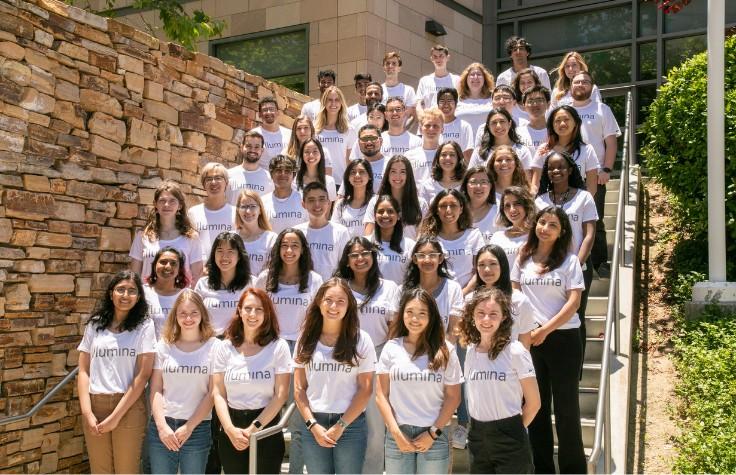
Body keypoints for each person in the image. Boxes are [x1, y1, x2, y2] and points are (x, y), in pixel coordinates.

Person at [511, 206, 586, 474]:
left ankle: (573, 469)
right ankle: (543, 468)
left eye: (552, 225)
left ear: (562, 231)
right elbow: (515, 295)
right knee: (535, 407)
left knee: (566, 408)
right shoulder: (523, 256)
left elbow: (574, 302)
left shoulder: (569, 261)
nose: (545, 228)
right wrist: (529, 331)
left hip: (563, 338)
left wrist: (545, 330)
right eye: (542, 222)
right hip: (529, 340)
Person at [255, 228, 323, 474]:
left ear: (303, 249)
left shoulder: (314, 280)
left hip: (301, 350)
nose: (290, 250)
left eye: (295, 245)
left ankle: (295, 471)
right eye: (285, 245)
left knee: (297, 417)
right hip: (269, 348)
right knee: (265, 410)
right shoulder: (264, 279)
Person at [293, 278, 377, 474]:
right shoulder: (305, 339)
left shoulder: (361, 340)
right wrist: (312, 425)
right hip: (314, 424)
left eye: (341, 301)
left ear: (349, 306)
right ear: (319, 303)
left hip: (350, 425)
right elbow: (299, 389)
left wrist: (341, 426)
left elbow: (366, 389)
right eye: (328, 299)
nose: (333, 306)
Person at [375, 288, 462, 474]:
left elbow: (453, 398)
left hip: (435, 435)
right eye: (410, 312)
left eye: (422, 313)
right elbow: (381, 395)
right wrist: (395, 433)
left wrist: (432, 433)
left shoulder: (446, 350)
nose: (415, 319)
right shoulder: (391, 348)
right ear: (402, 314)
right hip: (398, 433)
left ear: (432, 316)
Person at [334, 237, 401, 474]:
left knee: (375, 427)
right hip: (344, 356)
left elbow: (394, 326)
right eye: (354, 255)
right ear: (347, 260)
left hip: (379, 358)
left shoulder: (389, 287)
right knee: (343, 419)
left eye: (365, 253)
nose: (360, 259)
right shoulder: (338, 285)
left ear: (373, 257)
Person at [77, 270, 155, 473]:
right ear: (111, 293)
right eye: (120, 289)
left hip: (128, 406)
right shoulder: (95, 324)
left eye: (131, 291)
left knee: (126, 470)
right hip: (95, 405)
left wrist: (115, 417)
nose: (125, 295)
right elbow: (84, 370)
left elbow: (143, 375)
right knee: (100, 470)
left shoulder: (144, 326)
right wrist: (87, 412)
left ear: (139, 297)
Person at [458, 288, 541, 473]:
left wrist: (512, 431)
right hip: (478, 435)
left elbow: (534, 403)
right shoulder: (471, 352)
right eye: (481, 313)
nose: (486, 319)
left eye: (493, 314)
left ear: (504, 317)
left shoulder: (516, 351)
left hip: (510, 435)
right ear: (472, 316)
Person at [212, 288, 291, 474]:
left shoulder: (278, 347)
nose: (252, 314)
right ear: (239, 311)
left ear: (267, 313)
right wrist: (230, 429)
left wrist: (253, 429)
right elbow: (218, 393)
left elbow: (280, 396)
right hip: (231, 427)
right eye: (248, 308)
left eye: (259, 309)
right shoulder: (224, 347)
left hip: (266, 426)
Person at [148, 290, 218, 474]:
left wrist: (189, 427)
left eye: (194, 312)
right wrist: (162, 427)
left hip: (197, 428)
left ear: (202, 314)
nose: (188, 318)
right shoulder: (164, 345)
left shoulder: (214, 346)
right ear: (175, 316)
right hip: (163, 426)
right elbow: (155, 389)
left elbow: (212, 393)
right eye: (183, 313)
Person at [536, 151, 598, 347]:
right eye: (551, 167)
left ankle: (575, 370)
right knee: (549, 315)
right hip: (548, 267)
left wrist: (577, 263)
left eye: (561, 167)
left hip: (578, 266)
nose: (556, 171)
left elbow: (589, 234)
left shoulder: (584, 197)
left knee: (576, 316)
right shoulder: (540, 201)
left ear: (570, 169)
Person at [571, 71, 621, 278]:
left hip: (595, 175)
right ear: (570, 86)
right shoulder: (563, 109)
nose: (581, 84)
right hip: (568, 176)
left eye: (585, 81)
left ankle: (601, 262)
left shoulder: (602, 109)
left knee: (596, 219)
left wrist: (607, 169)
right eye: (577, 81)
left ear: (592, 86)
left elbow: (611, 142)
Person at [130, 180, 203, 284]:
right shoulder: (143, 236)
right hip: (149, 297)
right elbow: (135, 274)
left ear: (180, 206)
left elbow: (197, 276)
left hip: (180, 297)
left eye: (172, 200)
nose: (167, 204)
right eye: (162, 200)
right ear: (155, 204)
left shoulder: (191, 237)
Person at [464, 244, 535, 347]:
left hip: (510, 361)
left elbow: (525, 343)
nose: (487, 269)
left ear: (503, 266)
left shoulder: (520, 300)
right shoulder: (470, 299)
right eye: (481, 264)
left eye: (493, 263)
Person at [419, 189, 486, 291]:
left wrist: (464, 293)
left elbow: (480, 270)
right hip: (436, 295)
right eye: (443, 206)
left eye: (453, 205)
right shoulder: (429, 238)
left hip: (468, 296)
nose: (448, 210)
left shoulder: (474, 235)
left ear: (461, 209)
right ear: (437, 210)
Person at [402, 236, 464, 336]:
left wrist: (443, 351)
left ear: (440, 258)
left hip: (444, 349)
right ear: (415, 259)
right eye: (421, 255)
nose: (427, 260)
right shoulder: (403, 290)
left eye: (432, 255)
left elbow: (454, 331)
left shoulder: (453, 289)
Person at [194, 232, 252, 336]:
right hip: (209, 342)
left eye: (230, 251)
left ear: (239, 256)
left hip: (240, 343)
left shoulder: (251, 283)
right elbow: (195, 314)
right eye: (220, 251)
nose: (224, 256)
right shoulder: (202, 284)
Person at [535, 105, 598, 198]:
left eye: (566, 119)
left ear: (575, 122)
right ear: (552, 125)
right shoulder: (543, 150)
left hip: (577, 205)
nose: (562, 124)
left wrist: (580, 204)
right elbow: (535, 184)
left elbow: (592, 187)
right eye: (557, 120)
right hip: (549, 207)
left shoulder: (587, 150)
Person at [363, 155, 427, 240]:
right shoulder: (375, 201)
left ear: (408, 175)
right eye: (393, 171)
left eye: (402, 172)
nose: (397, 176)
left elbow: (421, 237)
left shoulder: (420, 204)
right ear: (387, 174)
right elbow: (368, 235)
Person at [295, 182, 351, 277]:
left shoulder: (341, 232)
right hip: (303, 290)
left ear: (329, 203)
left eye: (321, 199)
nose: (317, 204)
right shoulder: (296, 232)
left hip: (330, 289)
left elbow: (345, 267)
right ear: (303, 204)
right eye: (311, 200)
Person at [188, 163, 236, 261]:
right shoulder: (193, 213)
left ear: (226, 182)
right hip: (200, 272)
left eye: (218, 178)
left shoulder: (236, 213)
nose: (213, 182)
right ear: (203, 185)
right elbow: (190, 245)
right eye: (208, 179)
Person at [469, 108, 533, 179]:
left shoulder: (522, 151)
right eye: (494, 122)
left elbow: (528, 180)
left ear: (509, 123)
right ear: (488, 126)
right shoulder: (479, 152)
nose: (498, 126)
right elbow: (471, 177)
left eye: (502, 121)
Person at [369, 195, 416, 285]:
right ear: (374, 216)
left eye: (390, 211)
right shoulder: (366, 243)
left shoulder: (410, 245)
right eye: (381, 211)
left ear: (398, 216)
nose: (385, 215)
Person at [144, 247, 188, 339]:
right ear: (154, 265)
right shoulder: (143, 292)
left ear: (179, 269)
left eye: (173, 263)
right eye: (163, 262)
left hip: (177, 350)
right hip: (148, 351)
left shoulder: (186, 295)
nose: (168, 266)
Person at [315, 85, 357, 184]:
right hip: (319, 183)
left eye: (337, 100)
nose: (333, 103)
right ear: (324, 102)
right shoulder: (315, 130)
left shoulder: (349, 130)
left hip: (341, 183)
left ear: (341, 103)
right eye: (330, 100)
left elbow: (350, 161)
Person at [261, 155, 308, 233]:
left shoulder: (304, 199)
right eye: (279, 170)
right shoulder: (262, 202)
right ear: (272, 174)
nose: (283, 174)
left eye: (287, 171)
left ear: (293, 176)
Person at [235, 190, 278, 276]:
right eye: (243, 207)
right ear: (238, 211)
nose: (248, 211)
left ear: (260, 210)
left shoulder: (271, 238)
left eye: (253, 206)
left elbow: (272, 271)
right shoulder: (231, 237)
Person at [489, 186, 536, 264]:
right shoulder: (497, 237)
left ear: (527, 205)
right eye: (507, 206)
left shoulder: (536, 235)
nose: (512, 210)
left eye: (517, 204)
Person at [517, 86, 551, 188]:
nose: (535, 104)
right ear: (524, 105)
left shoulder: (556, 132)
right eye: (530, 101)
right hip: (524, 185)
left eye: (540, 100)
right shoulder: (516, 133)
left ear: (548, 104)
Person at [227, 130, 275, 204]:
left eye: (257, 147)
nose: (252, 150)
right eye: (248, 146)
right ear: (242, 147)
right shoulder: (228, 175)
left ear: (262, 150)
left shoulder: (270, 179)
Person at [332, 159, 375, 238]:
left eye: (362, 172)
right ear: (348, 178)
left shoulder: (376, 202)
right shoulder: (340, 204)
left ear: (369, 176)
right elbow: (335, 232)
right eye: (353, 172)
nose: (357, 175)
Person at [416, 45, 460, 120]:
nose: (438, 59)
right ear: (431, 59)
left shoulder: (457, 80)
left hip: (450, 123)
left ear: (447, 58)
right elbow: (418, 103)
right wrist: (423, 118)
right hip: (430, 124)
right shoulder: (424, 80)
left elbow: (460, 104)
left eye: (441, 56)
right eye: (435, 57)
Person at [455, 63, 494, 141]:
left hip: (488, 145)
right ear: (466, 78)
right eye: (472, 74)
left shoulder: (493, 98)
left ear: (485, 78)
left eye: (479, 74)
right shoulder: (457, 99)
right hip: (463, 146)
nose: (475, 77)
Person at [404, 108, 445, 183]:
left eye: (435, 126)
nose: (431, 129)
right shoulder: (409, 156)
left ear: (442, 129)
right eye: (427, 125)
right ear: (420, 129)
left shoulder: (446, 155)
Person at [419, 140, 466, 205]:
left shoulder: (466, 184)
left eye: (452, 155)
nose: (447, 158)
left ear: (458, 158)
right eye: (443, 155)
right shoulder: (427, 186)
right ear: (438, 158)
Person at [460, 166, 500, 243]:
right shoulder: (457, 212)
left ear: (490, 186)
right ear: (465, 185)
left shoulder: (499, 212)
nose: (478, 187)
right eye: (473, 182)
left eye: (483, 182)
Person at [251, 96, 292, 170]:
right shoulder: (254, 135)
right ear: (259, 114)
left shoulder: (290, 134)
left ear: (278, 112)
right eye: (265, 110)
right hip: (264, 179)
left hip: (286, 179)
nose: (268, 112)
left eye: (272, 109)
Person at [436, 87, 474, 163]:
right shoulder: (432, 127)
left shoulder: (464, 126)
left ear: (456, 104)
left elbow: (468, 154)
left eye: (450, 101)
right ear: (437, 105)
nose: (446, 105)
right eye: (442, 101)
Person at [382, 51, 417, 127]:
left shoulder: (408, 90)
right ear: (383, 68)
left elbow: (411, 116)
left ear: (399, 68)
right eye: (387, 63)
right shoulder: (378, 91)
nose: (390, 66)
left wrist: (401, 132)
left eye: (394, 63)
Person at [354, 124, 388, 191]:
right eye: (365, 139)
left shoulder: (390, 165)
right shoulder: (354, 166)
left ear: (381, 141)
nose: (369, 142)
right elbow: (342, 195)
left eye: (373, 138)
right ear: (358, 142)